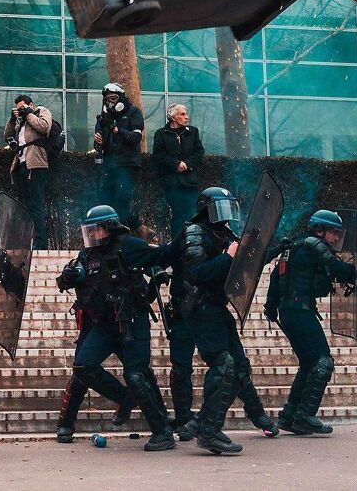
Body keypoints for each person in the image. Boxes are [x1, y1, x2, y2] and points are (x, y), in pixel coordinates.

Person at [57, 204, 182, 452]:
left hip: (131, 321)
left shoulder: (129, 246)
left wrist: (184, 236)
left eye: (96, 230)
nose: (91, 235)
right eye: (88, 231)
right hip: (102, 324)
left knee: (136, 374)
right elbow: (65, 279)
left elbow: (162, 255)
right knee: (84, 365)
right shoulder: (87, 255)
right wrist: (68, 276)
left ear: (110, 228)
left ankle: (162, 432)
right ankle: (126, 398)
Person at [180, 187, 278, 454]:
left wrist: (270, 247)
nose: (225, 215)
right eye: (219, 208)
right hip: (200, 307)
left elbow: (245, 265)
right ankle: (209, 432)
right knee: (223, 366)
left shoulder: (224, 233)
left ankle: (202, 422)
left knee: (239, 368)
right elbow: (199, 272)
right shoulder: (195, 232)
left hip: (216, 307)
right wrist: (228, 256)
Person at [263, 209, 357, 436]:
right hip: (300, 311)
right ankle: (304, 416)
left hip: (289, 311)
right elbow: (338, 270)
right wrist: (352, 270)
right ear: (320, 229)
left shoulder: (293, 247)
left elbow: (276, 278)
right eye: (333, 233)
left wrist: (272, 307)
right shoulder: (314, 246)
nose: (335, 239)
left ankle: (289, 416)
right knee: (323, 361)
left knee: (308, 363)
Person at [53, 276, 135, 443]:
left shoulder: (122, 252)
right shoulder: (86, 257)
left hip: (121, 322)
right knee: (81, 370)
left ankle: (158, 419)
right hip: (92, 322)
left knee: (140, 372)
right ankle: (66, 423)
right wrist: (73, 274)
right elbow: (63, 281)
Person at [93, 83, 144, 234]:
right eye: (108, 99)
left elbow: (136, 137)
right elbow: (98, 143)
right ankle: (132, 231)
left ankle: (129, 235)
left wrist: (116, 129)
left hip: (128, 163)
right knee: (105, 200)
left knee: (123, 199)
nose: (111, 102)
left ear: (121, 98)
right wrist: (99, 141)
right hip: (110, 165)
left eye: (114, 98)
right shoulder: (104, 117)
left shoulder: (133, 112)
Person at [5, 94, 52, 250]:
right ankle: (28, 241)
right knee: (25, 205)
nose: (21, 111)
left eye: (23, 107)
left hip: (36, 165)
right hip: (22, 166)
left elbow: (44, 127)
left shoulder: (41, 111)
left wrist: (28, 114)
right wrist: (13, 119)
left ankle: (40, 243)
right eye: (18, 109)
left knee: (36, 205)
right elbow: (8, 136)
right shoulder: (23, 125)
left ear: (31, 104)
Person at [152, 103, 204, 238]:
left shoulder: (193, 132)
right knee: (178, 215)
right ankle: (177, 243)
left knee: (193, 214)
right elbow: (158, 155)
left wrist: (187, 164)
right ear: (173, 117)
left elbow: (199, 152)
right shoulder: (161, 134)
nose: (186, 117)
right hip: (172, 183)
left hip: (191, 182)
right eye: (182, 114)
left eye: (186, 113)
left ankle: (192, 242)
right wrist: (176, 164)